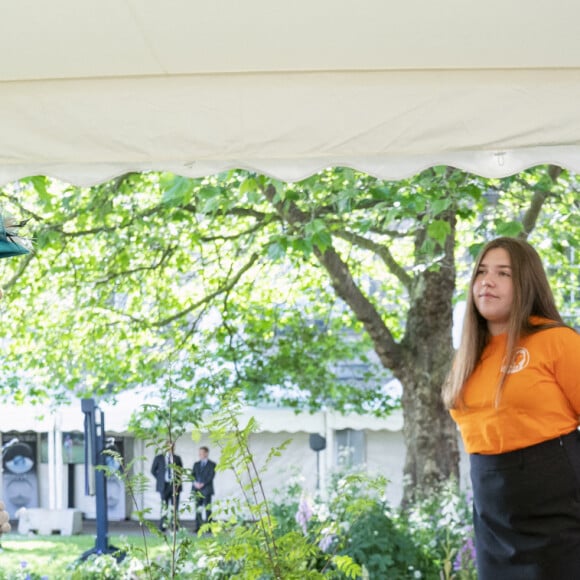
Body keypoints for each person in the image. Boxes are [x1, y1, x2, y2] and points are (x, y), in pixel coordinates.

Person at [443, 236, 580, 580]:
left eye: (503, 273)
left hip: (558, 512)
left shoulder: (556, 341)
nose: (487, 281)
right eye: (481, 272)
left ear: (526, 283)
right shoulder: (469, 357)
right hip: (493, 517)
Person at [151, 442, 183, 531]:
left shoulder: (177, 458)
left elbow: (181, 471)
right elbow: (153, 470)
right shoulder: (159, 458)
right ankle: (163, 525)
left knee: (175, 506)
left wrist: (178, 483)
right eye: (168, 446)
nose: (170, 448)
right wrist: (160, 479)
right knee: (164, 506)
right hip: (164, 485)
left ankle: (175, 526)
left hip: (174, 485)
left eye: (172, 446)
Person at [191, 446, 216, 532]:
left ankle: (209, 528)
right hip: (197, 490)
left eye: (201, 453)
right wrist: (195, 483)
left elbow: (211, 476)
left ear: (206, 453)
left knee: (208, 509)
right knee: (198, 509)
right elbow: (192, 475)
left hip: (207, 490)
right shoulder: (196, 464)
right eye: (199, 453)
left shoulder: (212, 464)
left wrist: (202, 484)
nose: (200, 455)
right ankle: (198, 527)